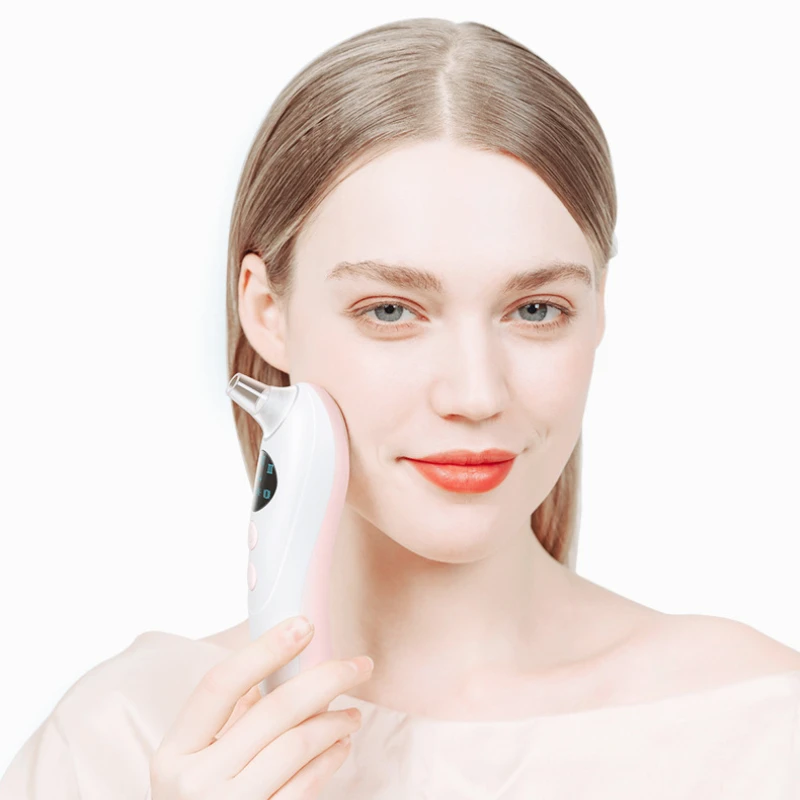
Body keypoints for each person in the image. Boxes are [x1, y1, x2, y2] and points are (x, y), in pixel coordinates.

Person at [2, 16, 799, 800]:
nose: (475, 394)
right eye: (390, 311)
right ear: (267, 311)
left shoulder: (761, 729)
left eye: (535, 310)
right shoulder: (123, 738)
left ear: (598, 311)